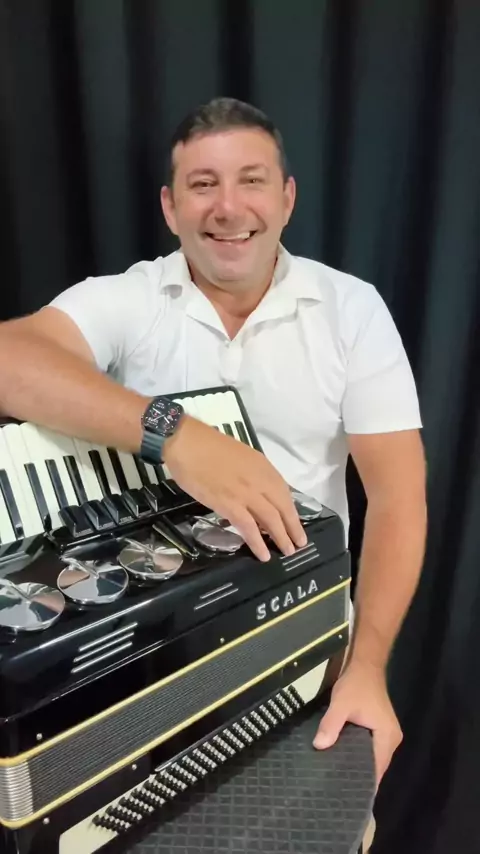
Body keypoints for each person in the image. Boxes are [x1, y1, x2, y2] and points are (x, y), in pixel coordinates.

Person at [0, 97, 427, 788]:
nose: (228, 208)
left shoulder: (352, 307)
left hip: (307, 636)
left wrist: (369, 667)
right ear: (171, 209)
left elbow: (399, 499)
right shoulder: (133, 298)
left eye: (251, 180)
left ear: (286, 199)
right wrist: (176, 437)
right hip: (154, 665)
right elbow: (8, 358)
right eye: (203, 185)